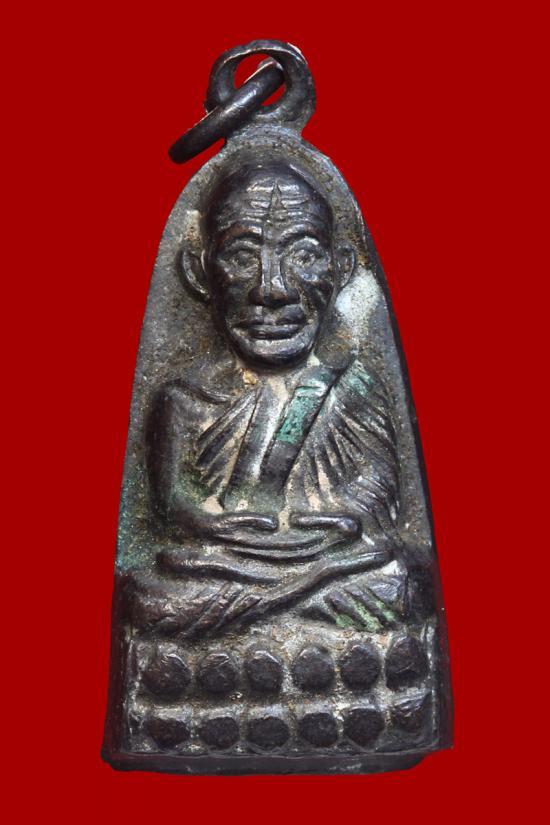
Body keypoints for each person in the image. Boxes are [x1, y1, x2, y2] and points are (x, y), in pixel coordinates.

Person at [139, 162, 412, 634]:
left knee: (400, 581)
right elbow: (174, 510)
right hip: (224, 565)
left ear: (342, 267)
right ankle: (290, 603)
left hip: (328, 560)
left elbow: (376, 498)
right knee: (152, 597)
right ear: (199, 272)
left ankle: (276, 605)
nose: (272, 289)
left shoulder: (351, 387)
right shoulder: (183, 400)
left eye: (304, 255)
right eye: (243, 256)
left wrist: (330, 527)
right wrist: (211, 528)